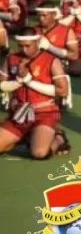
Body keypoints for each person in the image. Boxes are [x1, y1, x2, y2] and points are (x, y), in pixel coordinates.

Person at [0, 29, 70, 159]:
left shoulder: (52, 60)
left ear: (37, 42)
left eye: (28, 46)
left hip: (45, 113)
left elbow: (62, 90)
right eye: (21, 46)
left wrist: (29, 82)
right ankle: (25, 137)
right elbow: (1, 85)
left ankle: (59, 139)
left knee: (39, 153)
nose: (24, 50)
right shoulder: (11, 59)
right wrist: (18, 82)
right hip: (19, 114)